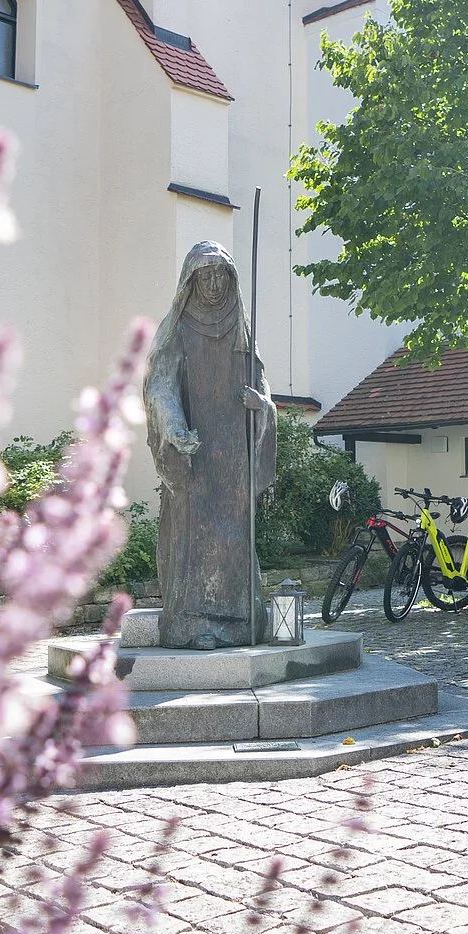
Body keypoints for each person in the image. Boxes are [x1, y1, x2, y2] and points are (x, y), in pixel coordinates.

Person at [144, 242, 277, 648]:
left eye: (221, 275)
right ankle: (193, 624)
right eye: (206, 276)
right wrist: (174, 427)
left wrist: (263, 405)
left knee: (234, 540)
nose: (215, 284)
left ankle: (240, 624)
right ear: (191, 281)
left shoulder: (241, 328)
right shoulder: (179, 330)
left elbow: (260, 383)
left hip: (233, 455)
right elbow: (160, 385)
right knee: (195, 539)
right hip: (197, 456)